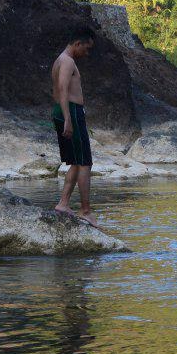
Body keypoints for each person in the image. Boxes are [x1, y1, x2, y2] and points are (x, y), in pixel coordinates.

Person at [52, 27, 96, 224]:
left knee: (76, 162)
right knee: (85, 162)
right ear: (77, 43)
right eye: (86, 49)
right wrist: (68, 118)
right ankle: (86, 211)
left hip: (65, 111)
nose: (87, 54)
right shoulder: (68, 61)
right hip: (71, 112)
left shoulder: (61, 60)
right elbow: (62, 88)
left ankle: (63, 203)